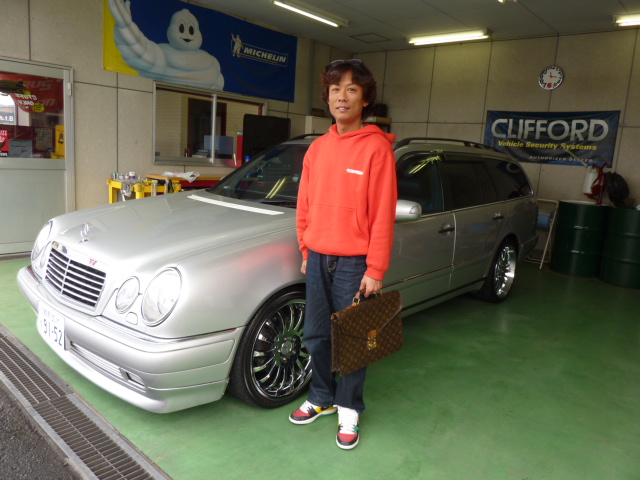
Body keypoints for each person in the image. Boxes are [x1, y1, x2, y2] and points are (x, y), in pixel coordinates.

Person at [290, 59, 397, 450]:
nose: (342, 97)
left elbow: (383, 212)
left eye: (352, 89)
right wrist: (306, 247)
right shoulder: (317, 149)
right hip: (318, 256)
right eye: (335, 89)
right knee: (316, 334)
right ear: (327, 97)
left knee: (353, 339)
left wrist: (376, 268)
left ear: (365, 99)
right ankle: (322, 396)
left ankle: (349, 407)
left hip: (355, 263)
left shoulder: (376, 149)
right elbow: (304, 204)